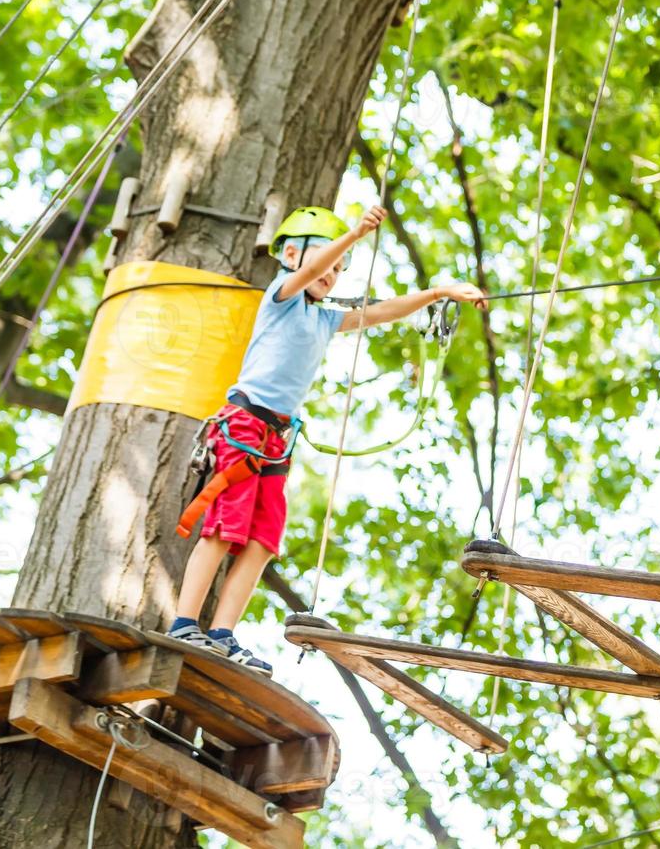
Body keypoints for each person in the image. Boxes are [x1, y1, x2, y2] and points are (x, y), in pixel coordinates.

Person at [169, 205, 486, 671]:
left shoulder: (323, 319)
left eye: (341, 270)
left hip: (277, 439)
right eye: (327, 262)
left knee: (261, 540)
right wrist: (356, 234)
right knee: (224, 527)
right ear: (292, 254)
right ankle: (184, 623)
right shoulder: (282, 295)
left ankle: (222, 634)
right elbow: (311, 270)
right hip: (244, 426)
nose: (332, 274)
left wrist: (437, 292)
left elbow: (380, 312)